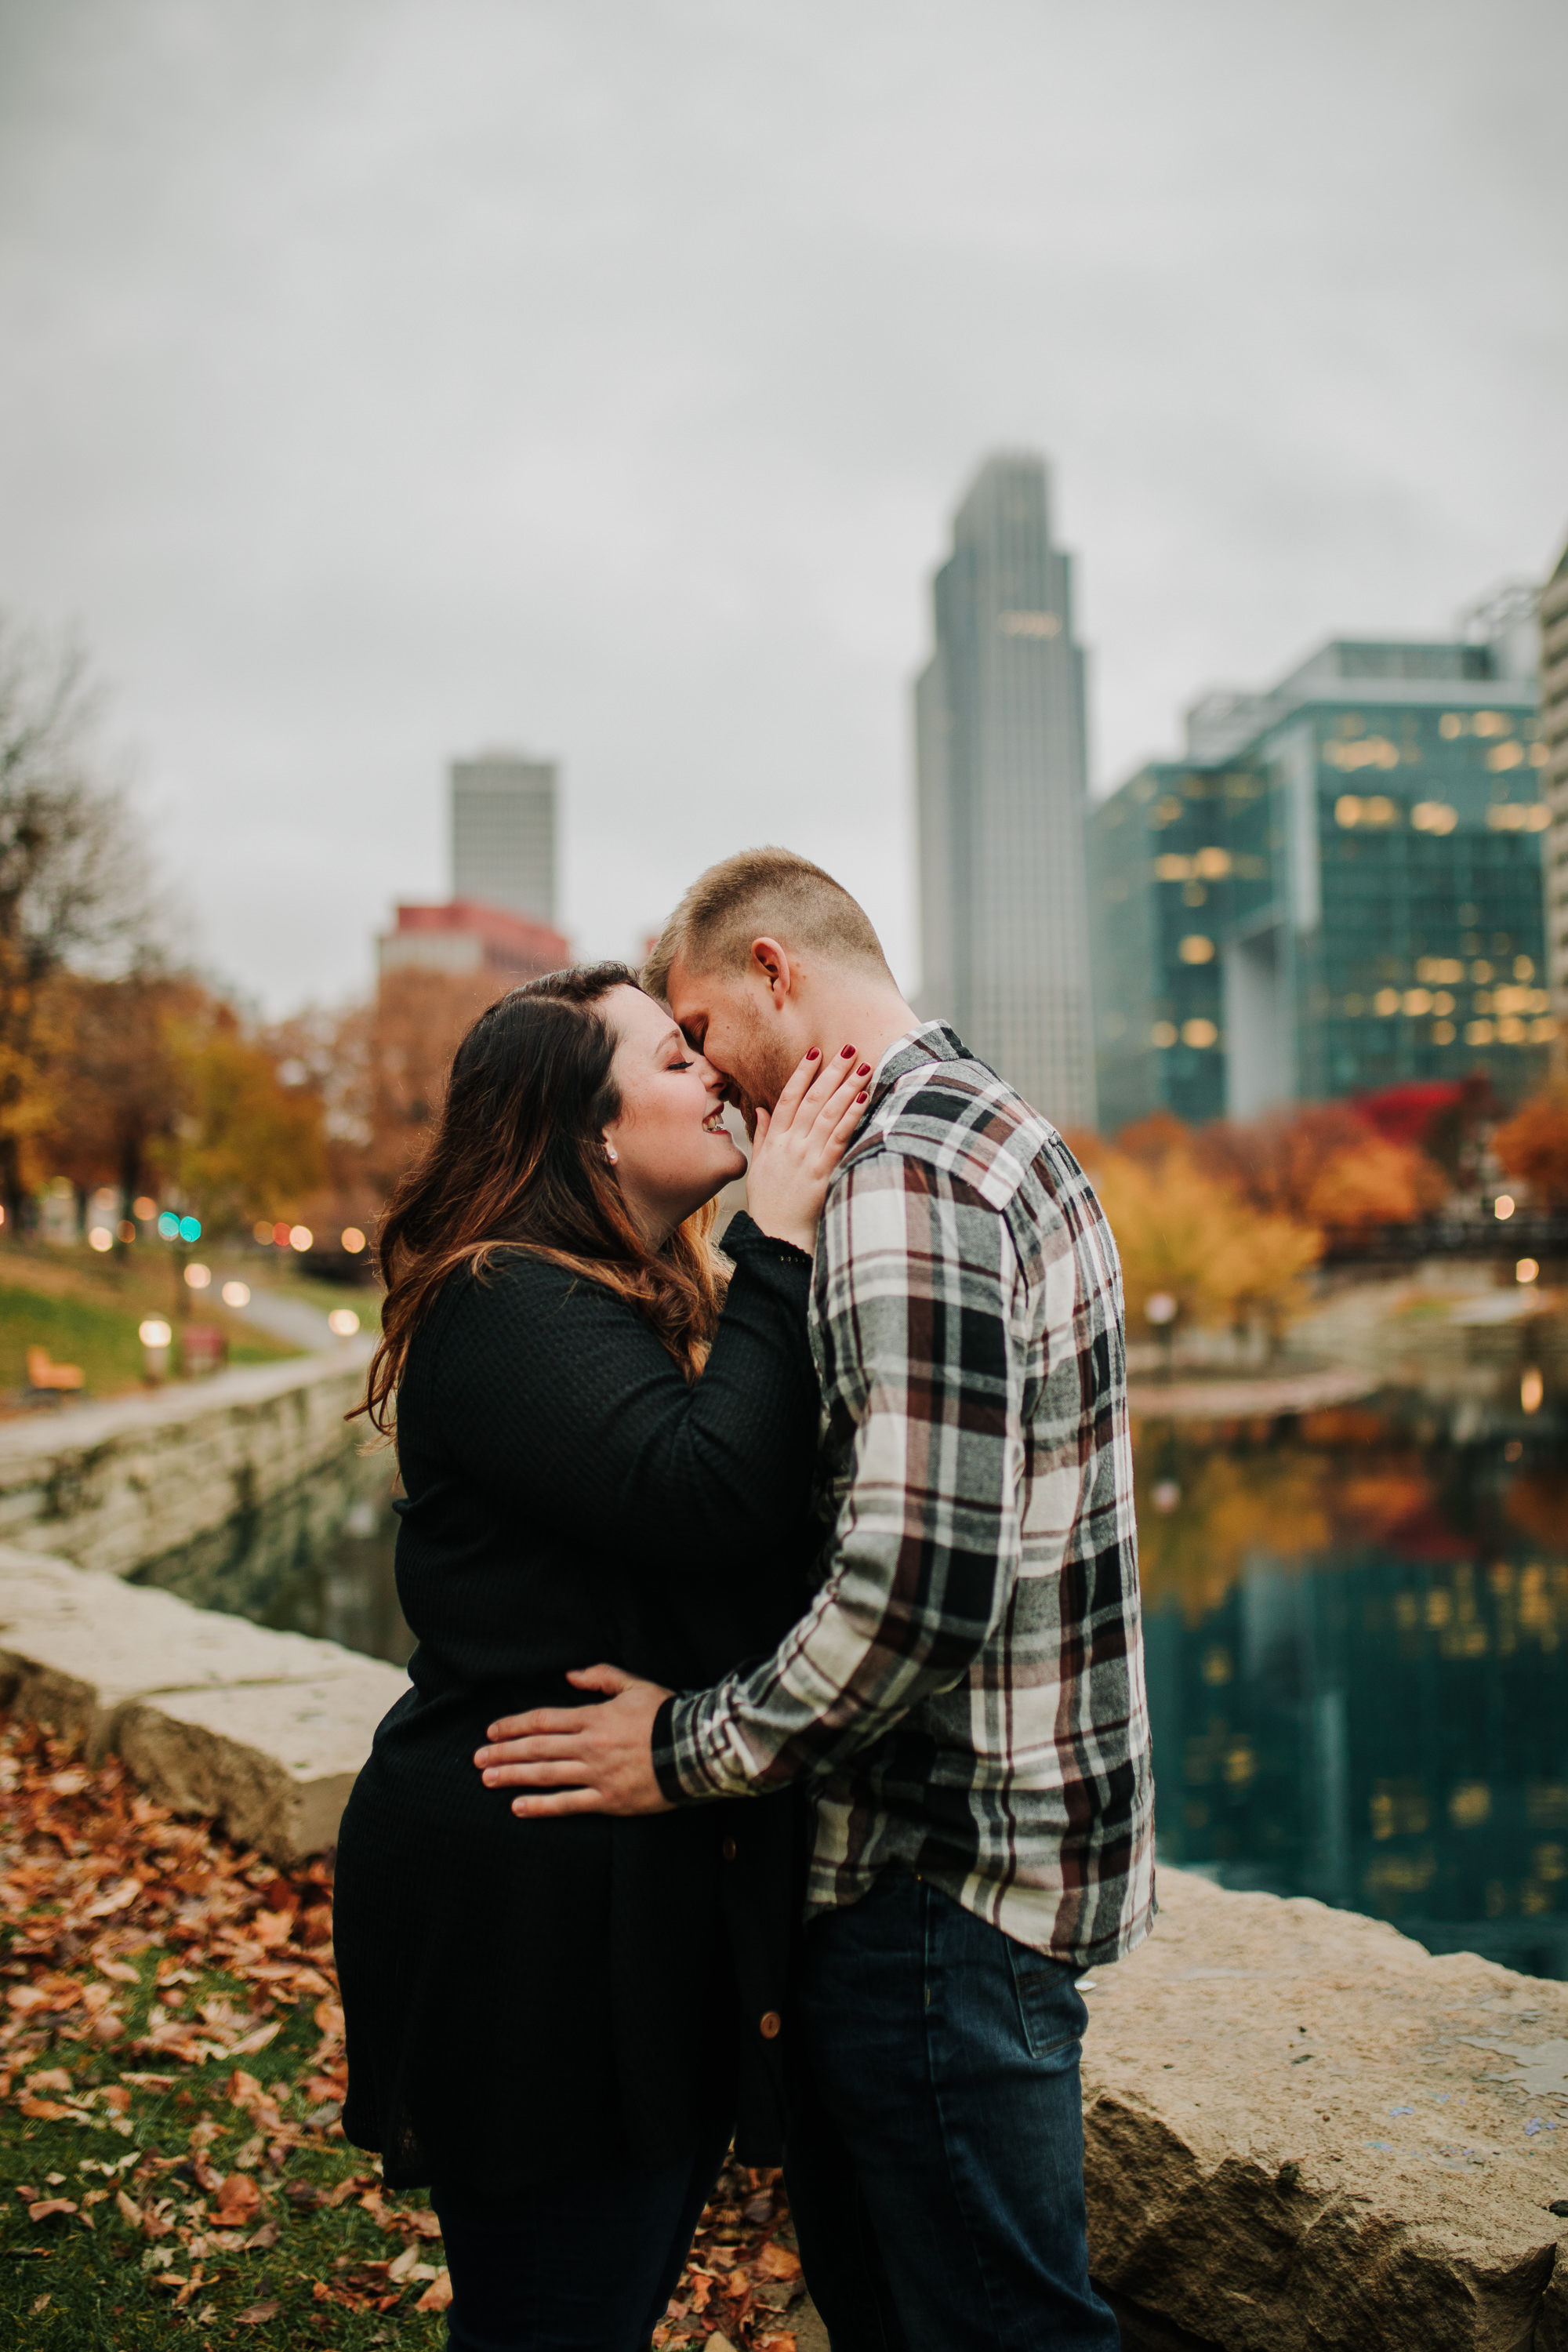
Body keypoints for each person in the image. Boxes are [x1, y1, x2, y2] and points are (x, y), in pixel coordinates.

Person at [474, 848, 1156, 2352]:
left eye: (704, 1030)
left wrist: (680, 1750)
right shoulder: (1008, 1133)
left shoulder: (901, 1181)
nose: (710, 1078)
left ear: (777, 974)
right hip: (1004, 1859)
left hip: (933, 1880)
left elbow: (912, 1596)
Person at [332, 960, 869, 2352]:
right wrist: (783, 1235)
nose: (710, 1072)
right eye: (671, 1057)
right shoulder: (501, 1299)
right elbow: (705, 1495)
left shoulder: (626, 1294)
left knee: (594, 2306)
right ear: (587, 1132)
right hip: (528, 1905)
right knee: (555, 2321)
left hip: (623, 1882)